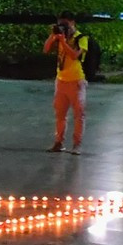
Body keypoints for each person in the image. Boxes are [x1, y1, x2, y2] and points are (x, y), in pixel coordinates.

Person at [44, 16, 86, 154]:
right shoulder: (60, 36)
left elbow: (74, 55)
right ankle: (58, 142)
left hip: (76, 81)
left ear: (73, 22)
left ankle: (77, 144)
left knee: (78, 115)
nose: (63, 26)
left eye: (65, 24)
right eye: (60, 24)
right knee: (60, 114)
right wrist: (52, 36)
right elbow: (46, 49)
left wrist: (63, 41)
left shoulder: (81, 38)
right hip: (61, 81)